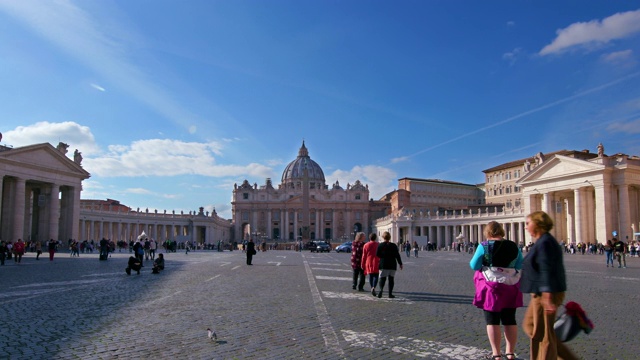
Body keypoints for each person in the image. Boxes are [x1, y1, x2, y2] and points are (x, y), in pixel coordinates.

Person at [520, 211, 578, 360]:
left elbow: (546, 268)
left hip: (545, 292)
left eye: (528, 223)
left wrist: (547, 294)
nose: (526, 227)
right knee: (532, 326)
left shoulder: (545, 242)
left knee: (543, 334)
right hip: (540, 292)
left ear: (538, 224)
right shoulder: (543, 241)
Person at [470, 221, 524, 360]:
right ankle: (510, 352)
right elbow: (520, 264)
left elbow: (474, 265)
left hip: (491, 286)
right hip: (510, 285)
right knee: (510, 319)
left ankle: (496, 354)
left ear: (488, 232)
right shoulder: (513, 245)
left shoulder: (485, 246)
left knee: (492, 320)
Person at [376, 231, 403, 298]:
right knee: (391, 279)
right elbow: (397, 255)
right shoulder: (394, 245)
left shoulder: (380, 245)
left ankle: (381, 290)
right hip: (392, 264)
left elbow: (377, 254)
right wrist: (400, 263)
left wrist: (383, 256)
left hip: (383, 263)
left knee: (382, 278)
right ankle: (390, 294)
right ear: (390, 237)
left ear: (383, 237)